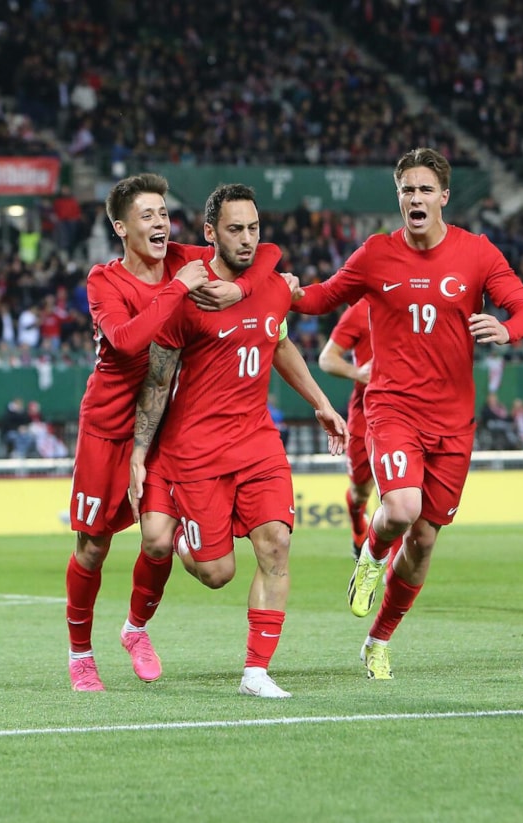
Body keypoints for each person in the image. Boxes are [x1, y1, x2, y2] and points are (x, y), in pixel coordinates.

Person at [291, 147, 523, 679]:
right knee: (402, 509)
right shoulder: (376, 253)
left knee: (425, 540)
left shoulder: (477, 253)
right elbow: (322, 297)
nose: (416, 197)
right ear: (399, 196)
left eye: (426, 189)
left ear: (444, 196)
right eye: (407, 189)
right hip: (393, 407)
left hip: (453, 421)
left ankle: (378, 640)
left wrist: (507, 329)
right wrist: (284, 289)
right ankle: (371, 553)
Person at [129, 183, 348, 699]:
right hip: (196, 452)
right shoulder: (188, 297)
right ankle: (180, 535)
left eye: (253, 228)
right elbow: (157, 381)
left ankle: (256, 672)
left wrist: (321, 401)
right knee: (216, 573)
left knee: (276, 544)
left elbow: (278, 341)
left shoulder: (271, 286)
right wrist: (139, 452)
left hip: (257, 442)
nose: (247, 239)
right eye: (235, 229)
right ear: (210, 233)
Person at [66, 173, 283, 692]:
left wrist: (243, 287)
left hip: (163, 424)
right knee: (92, 547)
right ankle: (80, 655)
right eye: (147, 215)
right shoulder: (105, 280)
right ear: (121, 227)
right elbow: (125, 341)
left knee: (159, 541)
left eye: (163, 213)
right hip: (108, 427)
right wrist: (179, 288)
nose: (161, 222)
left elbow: (266, 253)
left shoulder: (183, 258)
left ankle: (135, 629)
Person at [318, 297, 375, 559]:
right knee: (360, 491)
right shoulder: (361, 311)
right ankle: (358, 524)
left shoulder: (418, 305)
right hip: (365, 413)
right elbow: (326, 359)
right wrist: (358, 372)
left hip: (407, 411)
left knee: (400, 496)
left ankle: (391, 564)